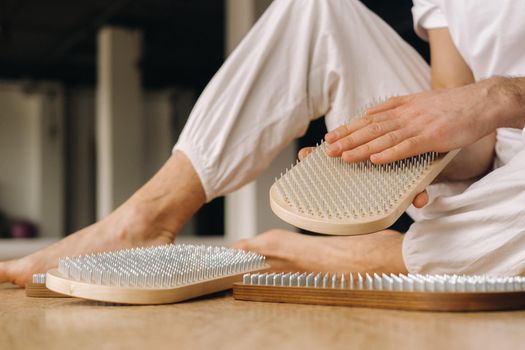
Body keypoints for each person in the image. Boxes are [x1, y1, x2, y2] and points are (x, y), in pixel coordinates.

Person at [1, 0, 524, 286]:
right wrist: (402, 153)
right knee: (317, 12)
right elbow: (467, 133)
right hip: (496, 183)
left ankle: (391, 257)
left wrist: (501, 94)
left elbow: (483, 105)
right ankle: (147, 218)